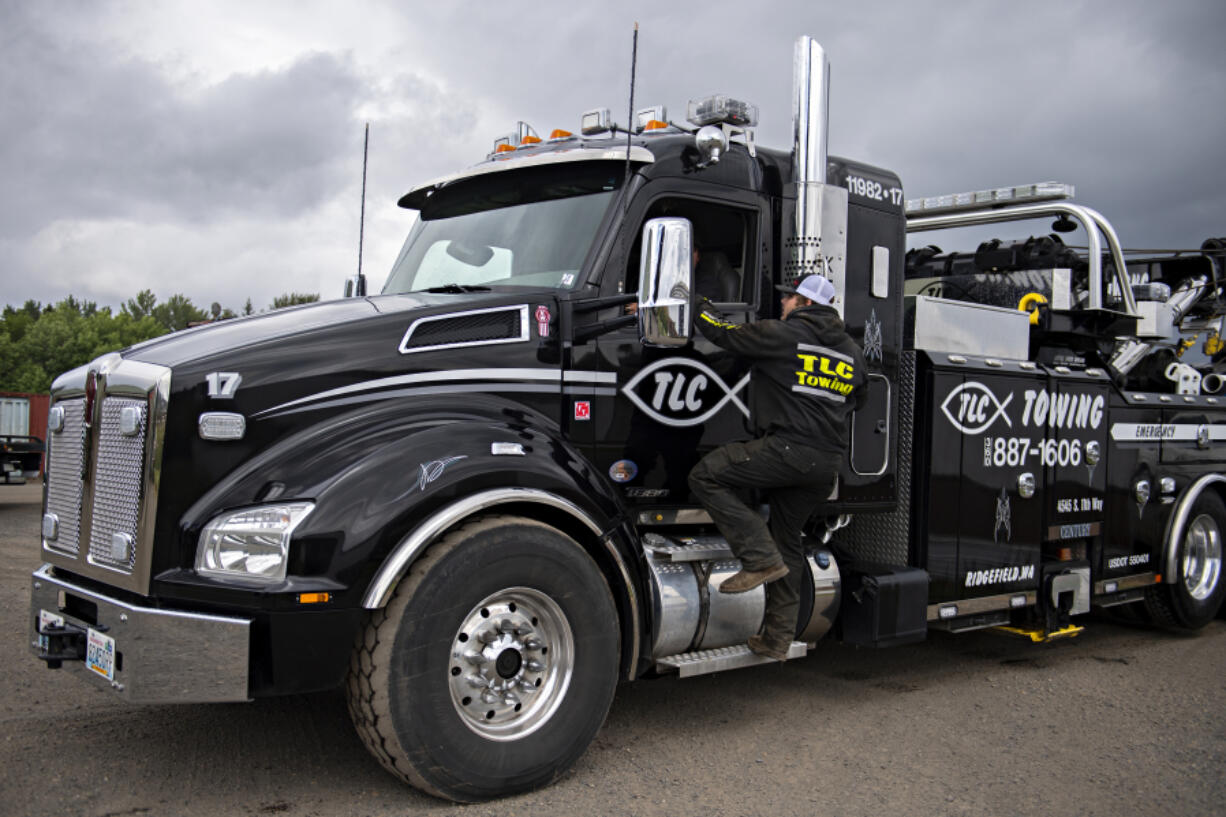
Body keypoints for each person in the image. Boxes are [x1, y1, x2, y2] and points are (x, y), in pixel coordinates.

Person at [688, 273, 868, 661]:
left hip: (787, 451)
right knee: (787, 542)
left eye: (788, 299)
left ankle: (757, 558)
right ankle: (776, 638)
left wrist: (694, 301)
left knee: (706, 475)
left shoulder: (784, 334)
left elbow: (724, 334)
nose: (783, 304)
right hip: (826, 464)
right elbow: (859, 398)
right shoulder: (852, 352)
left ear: (803, 303)